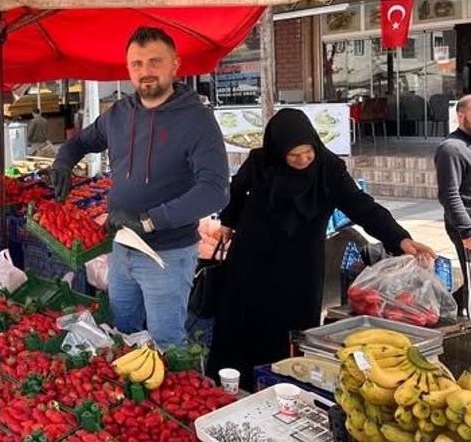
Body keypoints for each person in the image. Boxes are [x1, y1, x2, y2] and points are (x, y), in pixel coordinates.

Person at [210, 109, 436, 389]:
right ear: (278, 150)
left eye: (308, 152)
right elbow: (236, 191)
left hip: (300, 264)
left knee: (291, 327)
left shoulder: (329, 169)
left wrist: (400, 239)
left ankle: (283, 381)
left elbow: (361, 206)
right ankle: (235, 379)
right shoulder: (260, 162)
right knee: (243, 320)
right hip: (253, 258)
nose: (303, 160)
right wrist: (228, 222)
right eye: (294, 155)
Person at [50, 26, 229, 348]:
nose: (145, 72)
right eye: (137, 64)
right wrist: (62, 162)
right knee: (122, 331)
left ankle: (181, 394)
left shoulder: (196, 120)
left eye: (154, 62)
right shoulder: (118, 113)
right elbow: (79, 143)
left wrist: (149, 219)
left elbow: (215, 189)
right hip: (121, 249)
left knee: (167, 341)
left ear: (175, 65)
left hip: (168, 254)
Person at [435, 95, 471, 316]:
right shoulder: (451, 148)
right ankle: (456, 316)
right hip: (466, 223)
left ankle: (449, 310)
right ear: (461, 115)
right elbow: (449, 195)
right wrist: (467, 231)